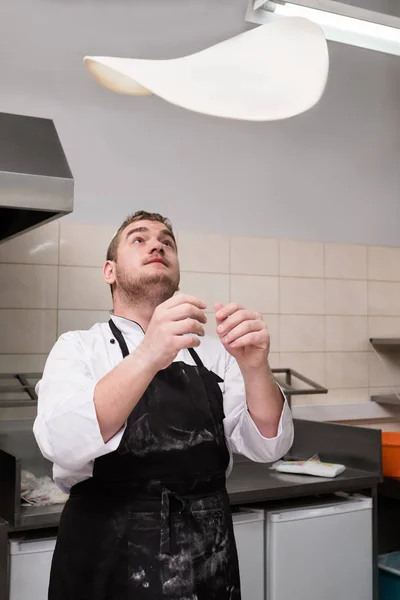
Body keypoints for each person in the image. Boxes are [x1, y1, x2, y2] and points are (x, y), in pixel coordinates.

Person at [34, 210, 294, 600]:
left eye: (167, 241)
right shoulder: (77, 348)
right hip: (104, 566)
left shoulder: (212, 353)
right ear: (109, 271)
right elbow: (61, 443)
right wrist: (147, 355)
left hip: (207, 564)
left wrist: (256, 366)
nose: (157, 244)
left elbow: (269, 445)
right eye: (138, 239)